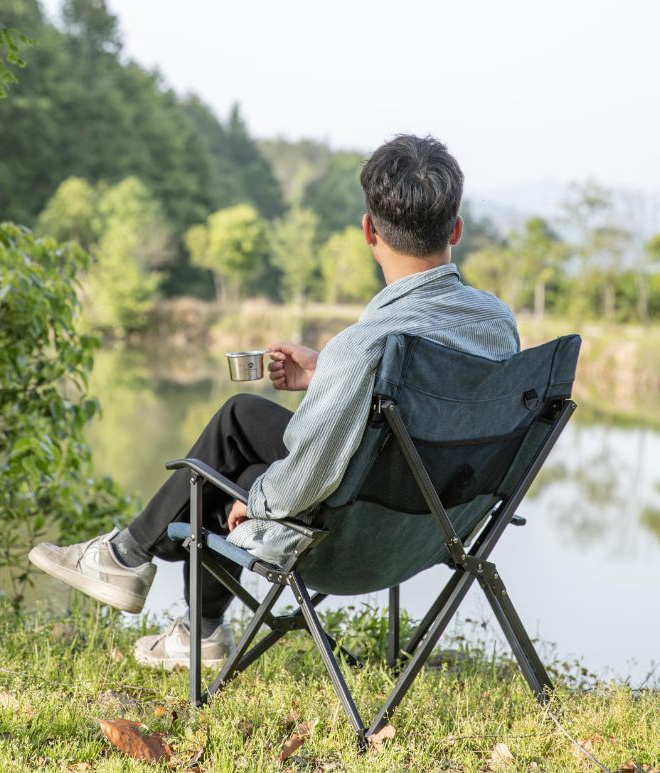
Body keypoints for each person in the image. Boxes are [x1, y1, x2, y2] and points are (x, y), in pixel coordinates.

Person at [29, 134, 519, 670]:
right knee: (242, 417)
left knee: (220, 482)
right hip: (434, 531)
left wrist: (257, 500)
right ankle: (169, 604)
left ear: (368, 231)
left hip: (352, 545)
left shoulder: (370, 344)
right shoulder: (498, 326)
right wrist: (325, 372)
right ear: (455, 230)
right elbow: (428, 411)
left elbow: (313, 465)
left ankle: (139, 570)